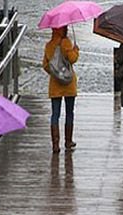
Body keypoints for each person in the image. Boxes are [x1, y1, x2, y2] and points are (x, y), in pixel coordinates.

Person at [42, 25, 79, 153]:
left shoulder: (49, 45)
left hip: (55, 85)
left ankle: (55, 144)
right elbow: (73, 59)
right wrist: (76, 50)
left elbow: (45, 65)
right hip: (68, 84)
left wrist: (55, 73)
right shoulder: (66, 43)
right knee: (69, 112)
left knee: (55, 115)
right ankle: (68, 141)